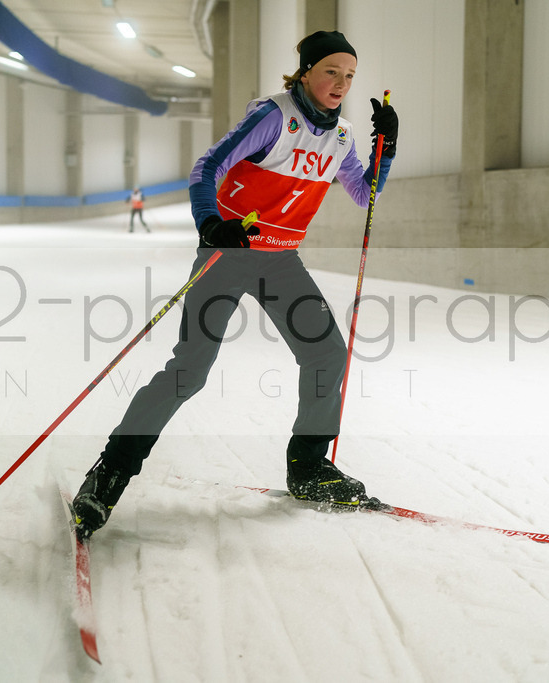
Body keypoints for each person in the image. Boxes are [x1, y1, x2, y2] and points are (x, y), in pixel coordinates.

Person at [73, 30, 399, 539]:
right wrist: (210, 223)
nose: (341, 83)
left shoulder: (342, 137)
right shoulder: (274, 116)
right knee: (189, 371)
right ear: (307, 72)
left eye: (350, 76)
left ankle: (309, 469)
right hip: (228, 252)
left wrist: (388, 147)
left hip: (281, 260)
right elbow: (208, 166)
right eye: (332, 71)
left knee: (327, 353)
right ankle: (109, 474)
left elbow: (364, 192)